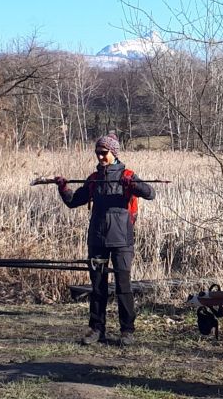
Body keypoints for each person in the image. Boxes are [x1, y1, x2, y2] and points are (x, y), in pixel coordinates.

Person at [47, 133, 154, 346]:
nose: (100, 157)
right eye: (97, 153)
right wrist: (63, 188)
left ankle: (127, 331)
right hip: (97, 241)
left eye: (104, 153)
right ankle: (97, 330)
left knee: (124, 286)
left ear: (113, 153)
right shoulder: (94, 179)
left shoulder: (128, 175)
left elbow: (150, 193)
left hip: (122, 241)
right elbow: (73, 201)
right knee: (98, 287)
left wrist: (132, 184)